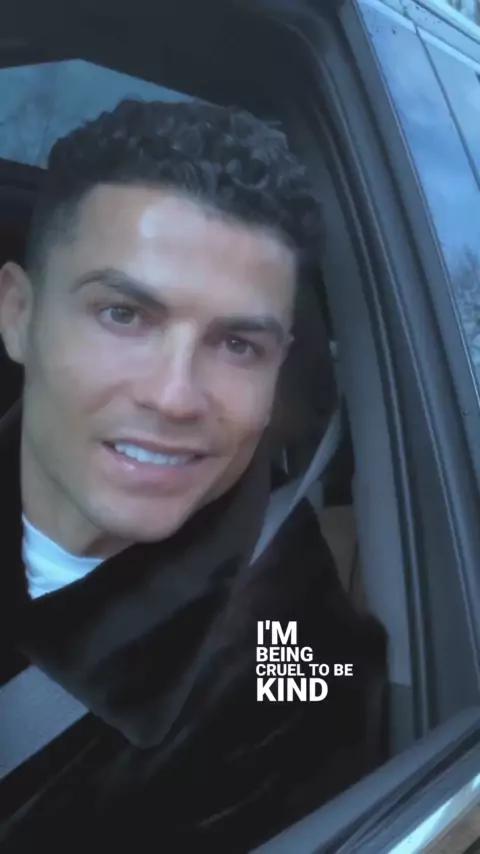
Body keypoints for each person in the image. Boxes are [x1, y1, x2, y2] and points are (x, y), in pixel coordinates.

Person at [0, 99, 387, 852]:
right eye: (122, 314)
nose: (175, 397)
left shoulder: (294, 659)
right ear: (18, 314)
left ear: (279, 370)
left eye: (238, 345)